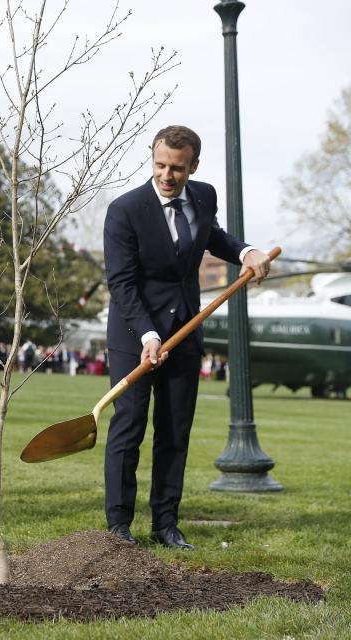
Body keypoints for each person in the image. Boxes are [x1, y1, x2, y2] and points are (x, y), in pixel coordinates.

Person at [102, 125, 270, 550]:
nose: (166, 175)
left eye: (177, 168)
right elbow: (122, 285)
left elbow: (210, 236)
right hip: (133, 335)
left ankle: (166, 524)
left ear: (193, 166)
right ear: (152, 159)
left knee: (175, 432)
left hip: (185, 333)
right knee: (129, 428)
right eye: (160, 165)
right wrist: (148, 334)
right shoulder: (125, 210)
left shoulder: (203, 196)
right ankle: (119, 527)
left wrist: (245, 251)